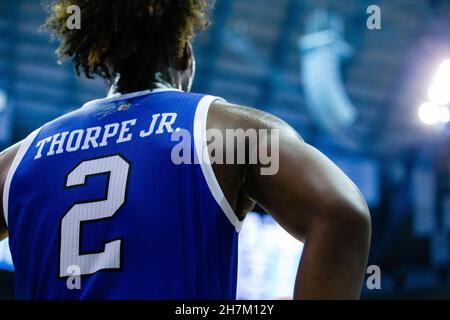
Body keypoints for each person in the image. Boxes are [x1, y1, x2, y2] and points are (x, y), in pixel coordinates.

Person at [0, 0, 371, 299]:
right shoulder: (224, 130)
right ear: (184, 53)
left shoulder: (17, 161)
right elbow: (342, 210)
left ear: (99, 56)